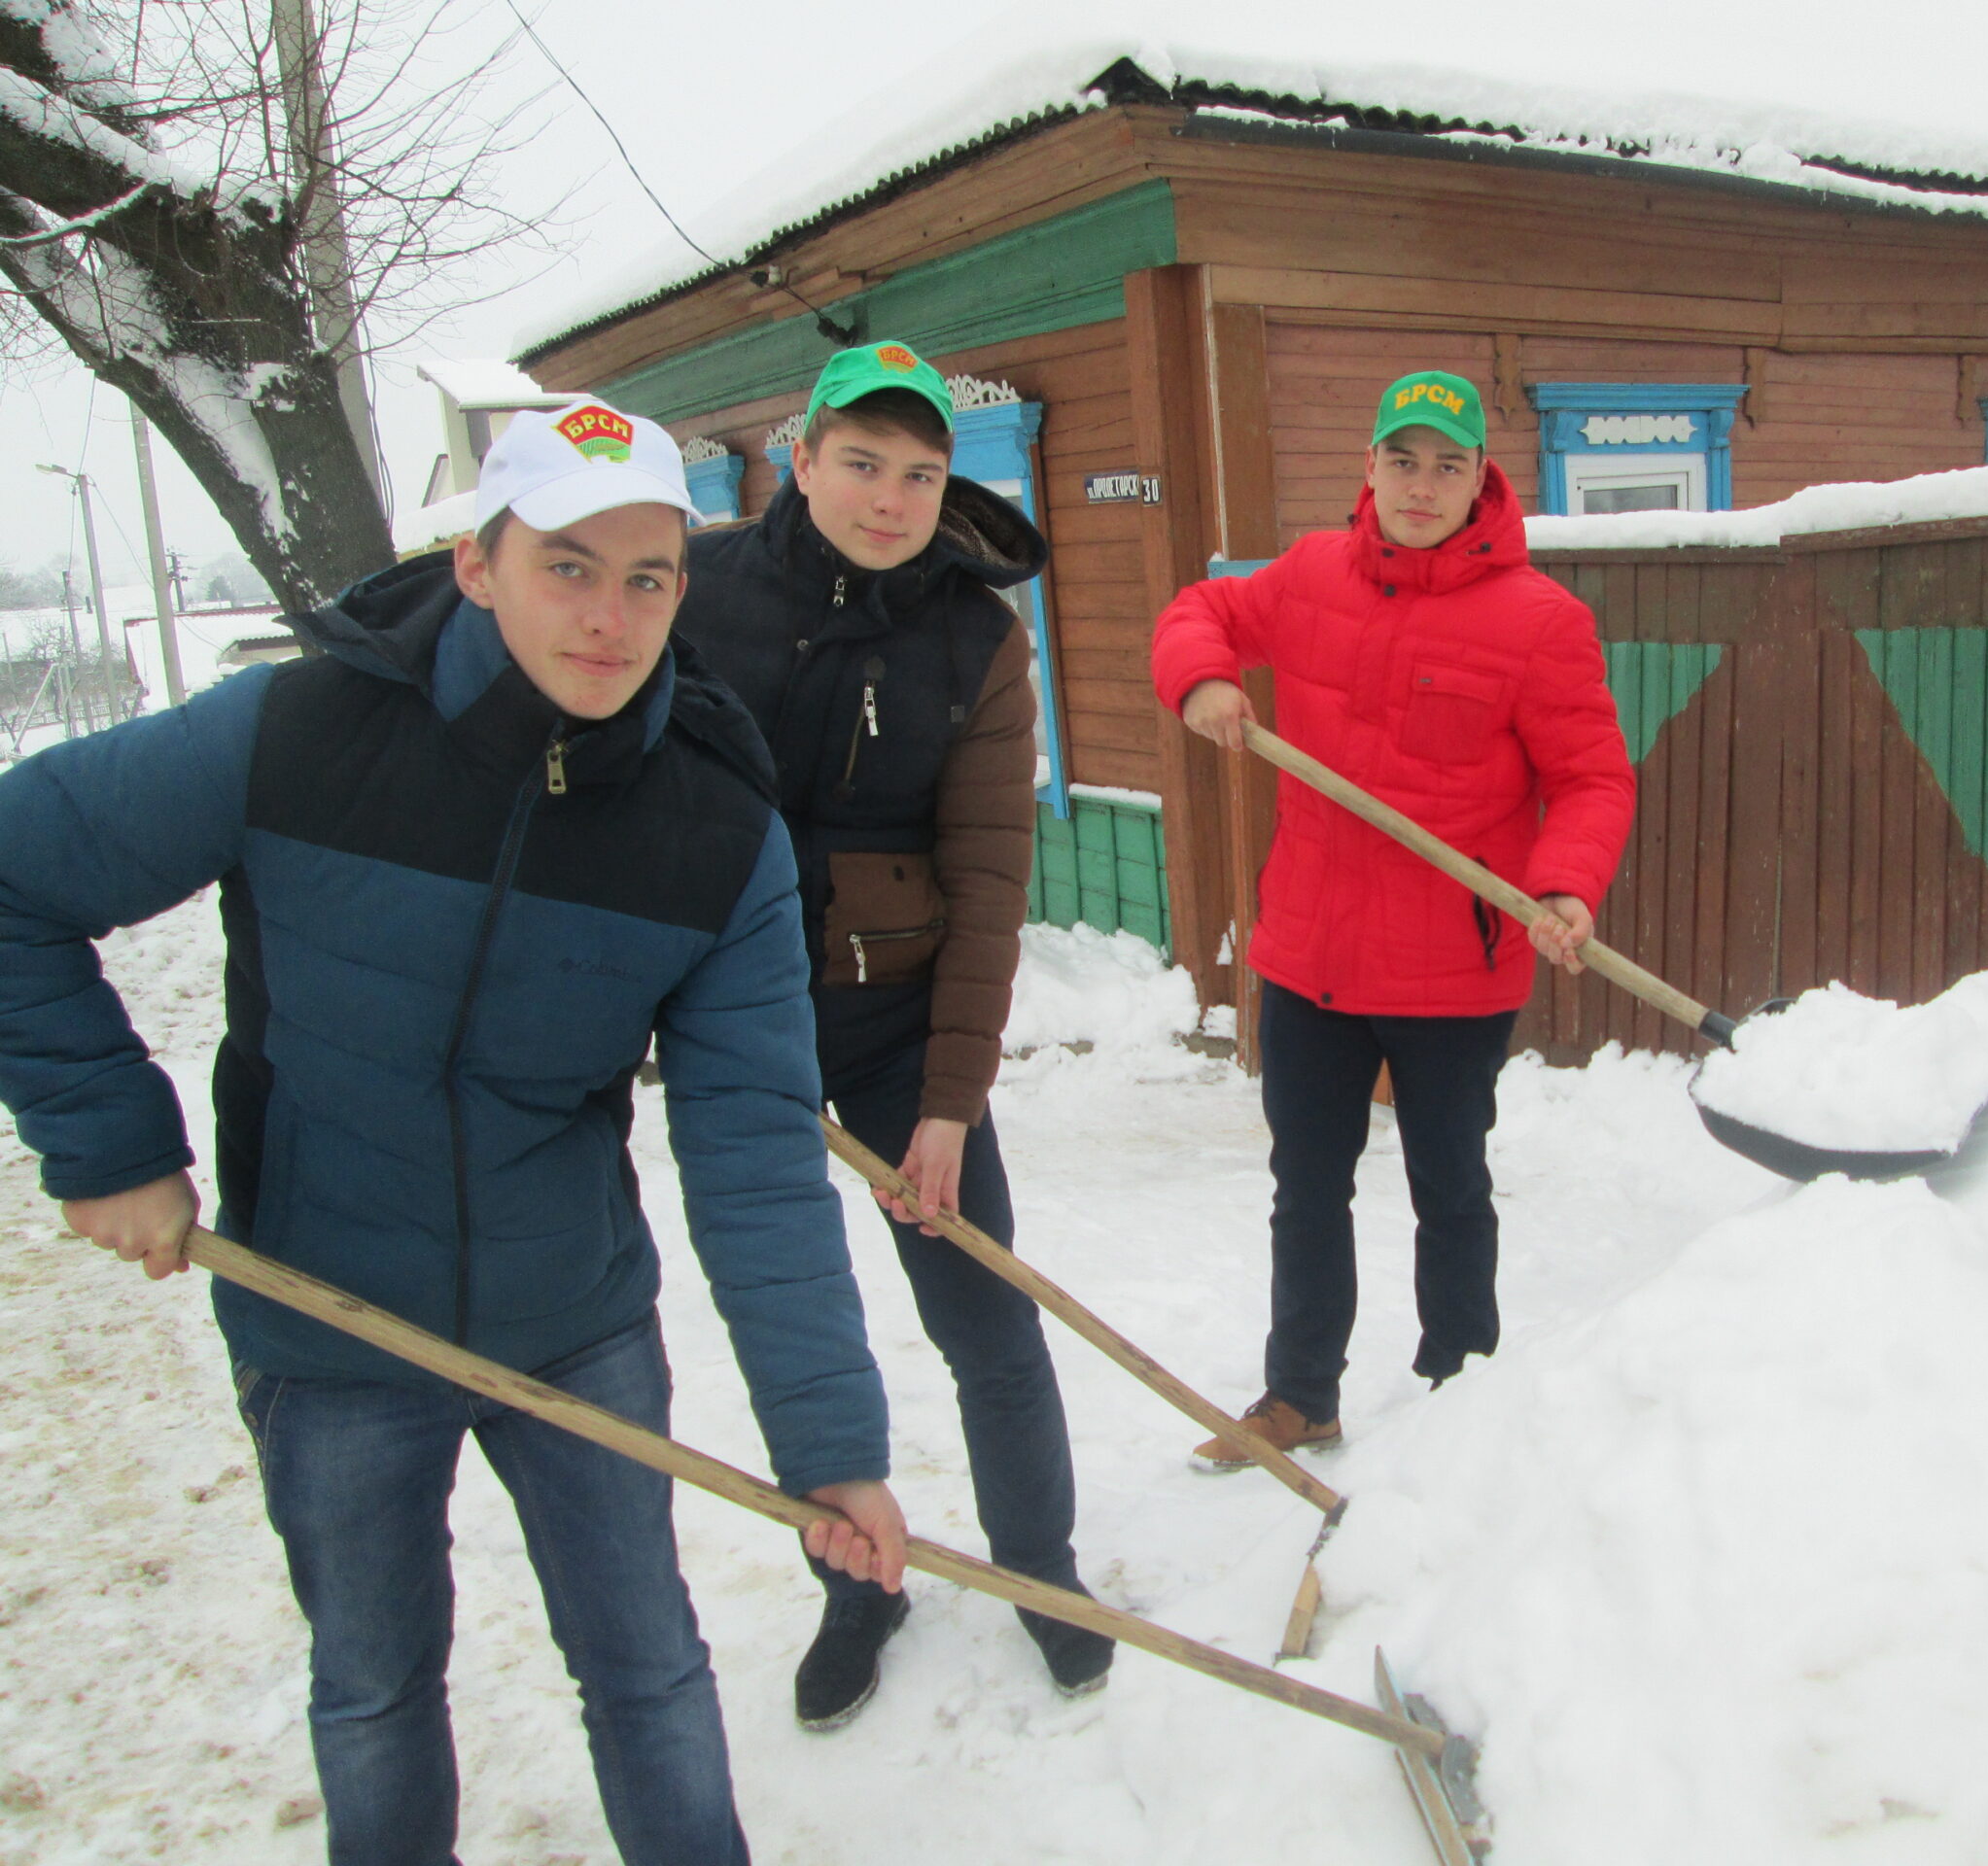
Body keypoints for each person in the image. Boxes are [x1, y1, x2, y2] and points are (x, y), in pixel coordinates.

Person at [0, 398, 905, 1866]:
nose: (610, 619)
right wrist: (108, 1144)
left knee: (652, 1673)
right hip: (329, 1325)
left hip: (576, 1324)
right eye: (566, 565)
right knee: (373, 1693)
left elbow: (752, 1152)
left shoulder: (715, 831)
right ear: (476, 564)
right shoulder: (294, 733)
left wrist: (831, 1445)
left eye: (648, 577)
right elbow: (15, 877)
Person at [671, 339, 1112, 1729]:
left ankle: (1042, 1570)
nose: (891, 495)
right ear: (797, 463)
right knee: (808, 1329)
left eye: (923, 473)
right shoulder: (697, 590)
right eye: (861, 462)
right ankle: (858, 1584)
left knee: (986, 1314)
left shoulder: (978, 636)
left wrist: (948, 1100)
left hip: (892, 1024)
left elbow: (987, 878)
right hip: (733, 1028)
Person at [1152, 368, 1636, 1464]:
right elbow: (1200, 612)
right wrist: (1204, 682)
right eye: (1403, 459)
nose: (1423, 485)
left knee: (1449, 1190)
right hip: (1310, 955)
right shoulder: (1313, 574)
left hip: (1451, 970)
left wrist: (1564, 886)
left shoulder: (1539, 622)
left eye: (1447, 464)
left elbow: (1594, 777)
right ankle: (1299, 1396)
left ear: (1481, 482)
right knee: (1304, 1190)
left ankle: (1460, 1397)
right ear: (1367, 467)